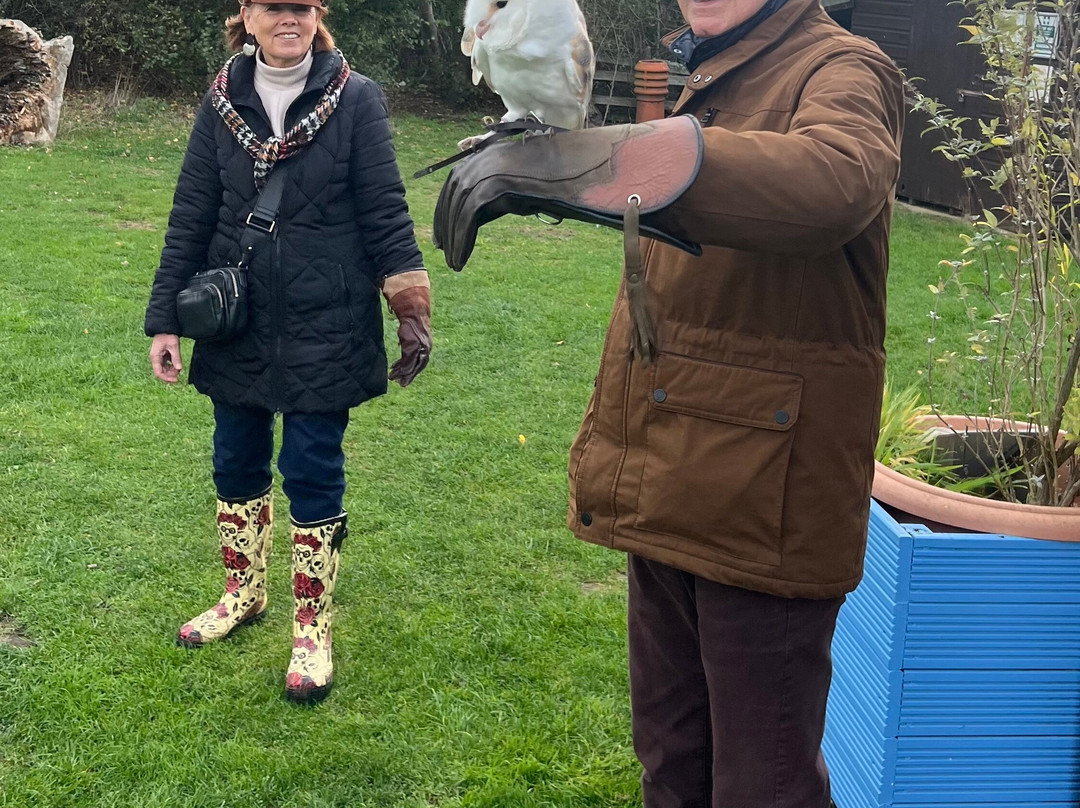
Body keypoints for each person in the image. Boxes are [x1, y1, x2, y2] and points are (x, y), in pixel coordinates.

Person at [432, 0, 904, 803]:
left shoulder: (843, 67)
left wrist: (623, 161)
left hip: (764, 506)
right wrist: (566, 166)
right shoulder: (717, 70)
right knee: (672, 764)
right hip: (672, 477)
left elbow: (834, 181)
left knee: (764, 784)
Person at [144, 0, 430, 704]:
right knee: (235, 460)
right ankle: (242, 594)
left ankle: (312, 626)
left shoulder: (356, 99)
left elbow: (385, 207)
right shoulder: (220, 102)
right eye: (274, 7)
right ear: (247, 15)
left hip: (327, 318)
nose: (288, 19)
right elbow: (191, 212)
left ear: (317, 14)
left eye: (300, 7)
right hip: (237, 318)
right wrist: (165, 322)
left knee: (311, 467)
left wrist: (411, 309)